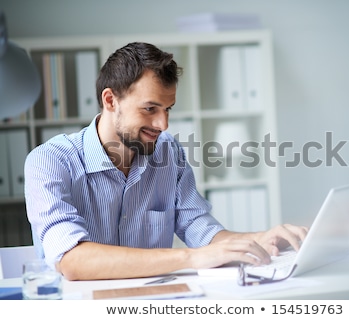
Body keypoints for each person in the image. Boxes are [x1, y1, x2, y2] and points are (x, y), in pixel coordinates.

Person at [24, 42, 308, 281]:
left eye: (167, 109)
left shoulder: (168, 152)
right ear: (110, 100)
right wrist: (191, 258)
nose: (163, 124)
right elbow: (72, 261)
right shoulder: (49, 161)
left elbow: (201, 229)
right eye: (150, 109)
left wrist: (263, 238)